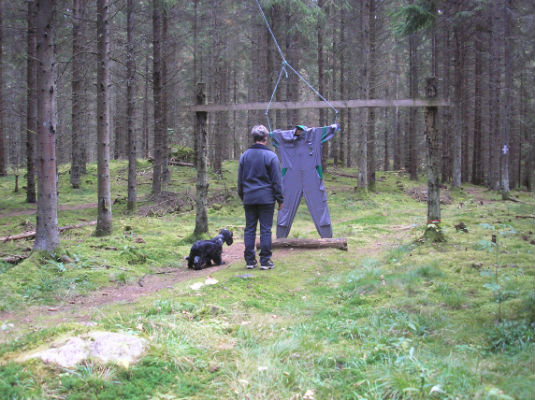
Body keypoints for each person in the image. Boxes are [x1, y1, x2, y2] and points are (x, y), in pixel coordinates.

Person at [270, 123, 339, 238]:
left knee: (319, 205)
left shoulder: (314, 135)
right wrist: (334, 127)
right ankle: (281, 237)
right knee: (286, 206)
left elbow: (330, 130)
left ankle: (327, 238)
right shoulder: (284, 138)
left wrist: (334, 127)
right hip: (290, 177)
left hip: (311, 176)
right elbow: (273, 135)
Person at [238, 125, 284, 270]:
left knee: (250, 229)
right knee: (265, 230)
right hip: (266, 199)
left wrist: (243, 196)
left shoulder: (244, 156)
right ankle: (265, 260)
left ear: (254, 138)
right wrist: (280, 199)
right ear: (265, 138)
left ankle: (250, 261)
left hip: (249, 197)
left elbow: (240, 180)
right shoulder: (271, 156)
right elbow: (277, 180)